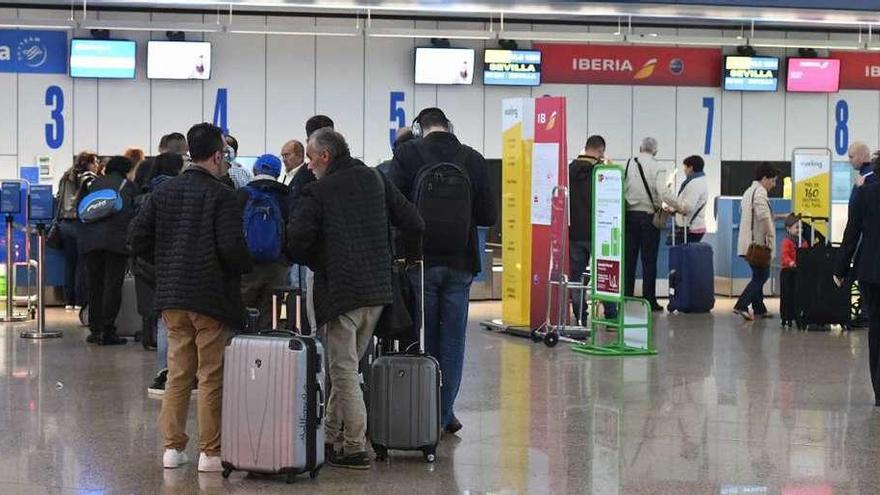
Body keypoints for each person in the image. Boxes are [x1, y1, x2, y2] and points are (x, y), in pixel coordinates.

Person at [287, 128, 423, 469]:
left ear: (325, 157)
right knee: (343, 365)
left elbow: (296, 242)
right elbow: (414, 221)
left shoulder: (317, 192)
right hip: (376, 292)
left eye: (310, 157)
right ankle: (330, 435)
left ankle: (354, 447)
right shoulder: (375, 179)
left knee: (343, 370)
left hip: (340, 292)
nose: (308, 165)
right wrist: (407, 258)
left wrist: (319, 260)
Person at [128, 123, 252, 472]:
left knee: (179, 373)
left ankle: (172, 449)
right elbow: (231, 248)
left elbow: (136, 238)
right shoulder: (223, 195)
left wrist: (165, 262)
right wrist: (245, 264)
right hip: (211, 298)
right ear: (217, 155)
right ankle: (210, 454)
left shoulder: (163, 192)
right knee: (211, 375)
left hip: (172, 297)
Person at [388, 107, 497, 435]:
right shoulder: (473, 158)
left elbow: (393, 209)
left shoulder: (407, 154)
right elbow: (488, 214)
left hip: (419, 261)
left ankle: (422, 411)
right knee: (453, 340)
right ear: (450, 126)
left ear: (420, 129)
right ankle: (443, 413)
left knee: (424, 337)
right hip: (461, 262)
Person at [132, 153, 186, 397]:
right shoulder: (178, 193)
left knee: (161, 318)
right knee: (172, 322)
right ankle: (175, 372)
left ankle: (163, 371)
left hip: (149, 265)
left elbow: (136, 236)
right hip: (174, 264)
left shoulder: (146, 193)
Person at [78, 156, 138, 345]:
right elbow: (133, 214)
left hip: (90, 241)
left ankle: (95, 329)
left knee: (95, 286)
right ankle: (107, 330)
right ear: (126, 170)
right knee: (112, 286)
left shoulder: (94, 183)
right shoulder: (127, 186)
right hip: (115, 242)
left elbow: (81, 210)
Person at [835, 179, 880, 407]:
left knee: (876, 327)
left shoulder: (865, 193)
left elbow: (852, 232)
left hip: (871, 270)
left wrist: (841, 268)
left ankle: (879, 391)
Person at [238, 153, 292, 330]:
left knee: (243, 312)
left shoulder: (242, 194)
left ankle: (242, 350)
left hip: (247, 266)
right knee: (273, 316)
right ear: (277, 173)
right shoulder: (286, 195)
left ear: (255, 169)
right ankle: (269, 352)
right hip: (277, 266)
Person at [568, 135, 617, 323]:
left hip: (575, 233)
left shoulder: (569, 170)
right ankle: (611, 316)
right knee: (604, 273)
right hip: (599, 232)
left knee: (577, 276)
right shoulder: (601, 172)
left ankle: (580, 317)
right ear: (600, 151)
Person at [624, 137, 671, 312]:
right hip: (649, 219)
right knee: (649, 261)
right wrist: (679, 206)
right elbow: (663, 191)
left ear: (640, 148)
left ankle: (627, 297)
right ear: (655, 152)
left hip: (630, 217)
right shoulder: (658, 167)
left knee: (629, 260)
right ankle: (649, 300)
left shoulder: (629, 164)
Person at [733, 163, 780, 321]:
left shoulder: (748, 191)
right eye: (773, 181)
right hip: (758, 244)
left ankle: (759, 308)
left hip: (748, 243)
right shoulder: (760, 192)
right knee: (762, 276)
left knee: (758, 274)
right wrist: (771, 237)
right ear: (764, 178)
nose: (774, 185)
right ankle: (741, 305)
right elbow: (763, 216)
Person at [55, 151, 99, 310]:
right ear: (86, 163)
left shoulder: (65, 177)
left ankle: (69, 301)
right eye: (95, 162)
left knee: (70, 264)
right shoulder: (87, 177)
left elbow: (59, 197)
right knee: (82, 265)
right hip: (81, 224)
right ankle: (80, 301)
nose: (97, 166)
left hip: (65, 224)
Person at [663, 155, 708, 244]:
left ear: (691, 167)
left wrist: (672, 207)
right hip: (694, 226)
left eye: (685, 167)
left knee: (682, 255)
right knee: (686, 255)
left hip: (690, 227)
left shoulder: (694, 183)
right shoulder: (700, 181)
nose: (684, 170)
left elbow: (687, 208)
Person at [780, 213, 807, 328]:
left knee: (798, 295)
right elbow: (785, 255)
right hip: (788, 271)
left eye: (801, 227)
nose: (799, 230)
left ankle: (797, 315)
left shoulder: (803, 242)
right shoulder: (787, 242)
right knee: (787, 294)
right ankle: (786, 316)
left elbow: (806, 254)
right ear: (788, 229)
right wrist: (791, 262)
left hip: (798, 272)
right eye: (796, 227)